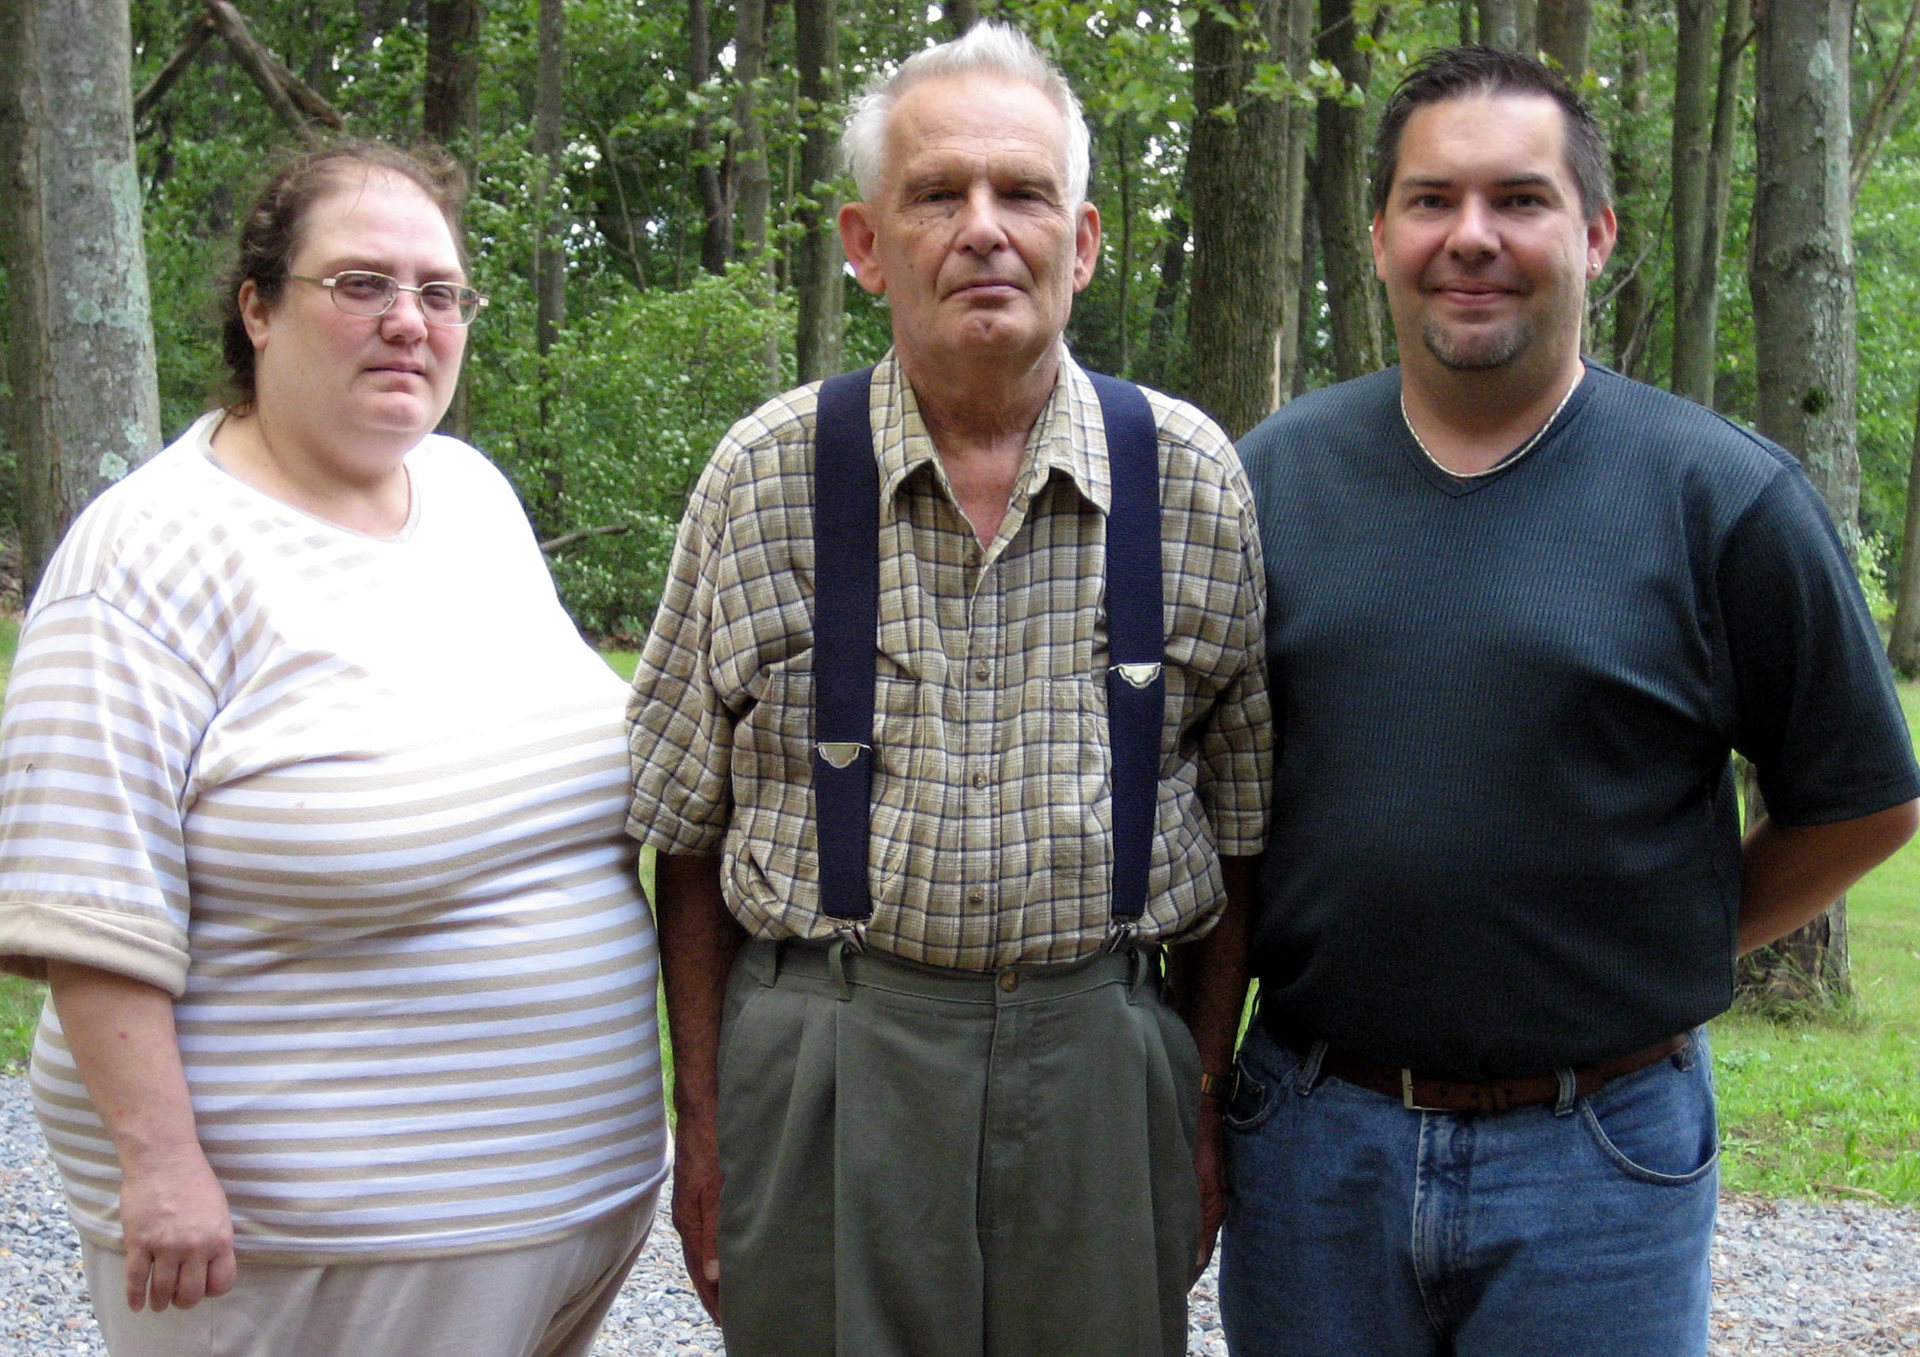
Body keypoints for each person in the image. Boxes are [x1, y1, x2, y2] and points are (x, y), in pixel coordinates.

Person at [1223, 44, 1920, 1357]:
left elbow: (1864, 801)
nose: (1470, 236)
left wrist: (1678, 936)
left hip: (1598, 1151)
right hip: (1315, 1134)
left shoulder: (1725, 500)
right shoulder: (1270, 483)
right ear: (1377, 235)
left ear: (1595, 233)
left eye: (1520, 200)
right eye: (1431, 200)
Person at [623, 22, 1270, 1357]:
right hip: (833, 1052)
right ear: (866, 244)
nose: (985, 228)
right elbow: (681, 837)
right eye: (938, 194)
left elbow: (1246, 830)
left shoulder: (1194, 480)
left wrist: (1192, 1094)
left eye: (1023, 192)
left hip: (1102, 1056)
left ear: (1081, 241)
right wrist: (710, 1119)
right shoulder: (766, 479)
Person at [0, 140, 668, 1357]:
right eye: (360, 283)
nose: (409, 321)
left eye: (438, 291)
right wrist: (162, 1167)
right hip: (295, 1253)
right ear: (257, 308)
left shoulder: (466, 496)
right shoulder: (147, 554)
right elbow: (82, 897)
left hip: (556, 1208)